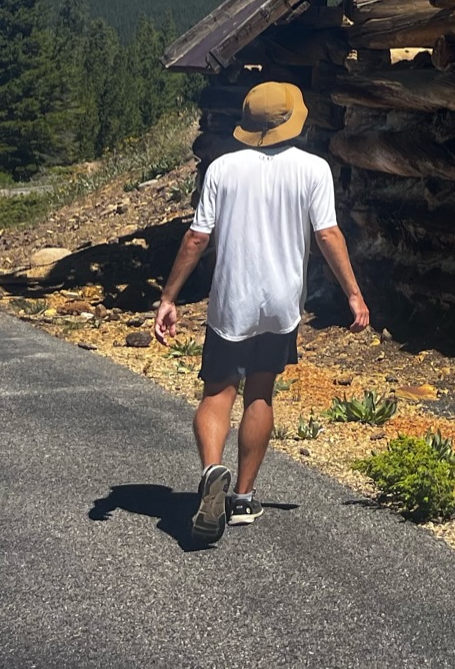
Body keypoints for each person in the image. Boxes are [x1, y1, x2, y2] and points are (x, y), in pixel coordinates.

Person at [153, 81, 370, 544]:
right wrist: (353, 293)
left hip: (232, 299)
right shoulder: (313, 170)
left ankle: (213, 471)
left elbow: (197, 238)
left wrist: (169, 296)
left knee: (217, 394)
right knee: (260, 395)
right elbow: (328, 235)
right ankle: (245, 497)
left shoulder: (222, 168)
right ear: (293, 118)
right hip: (281, 304)